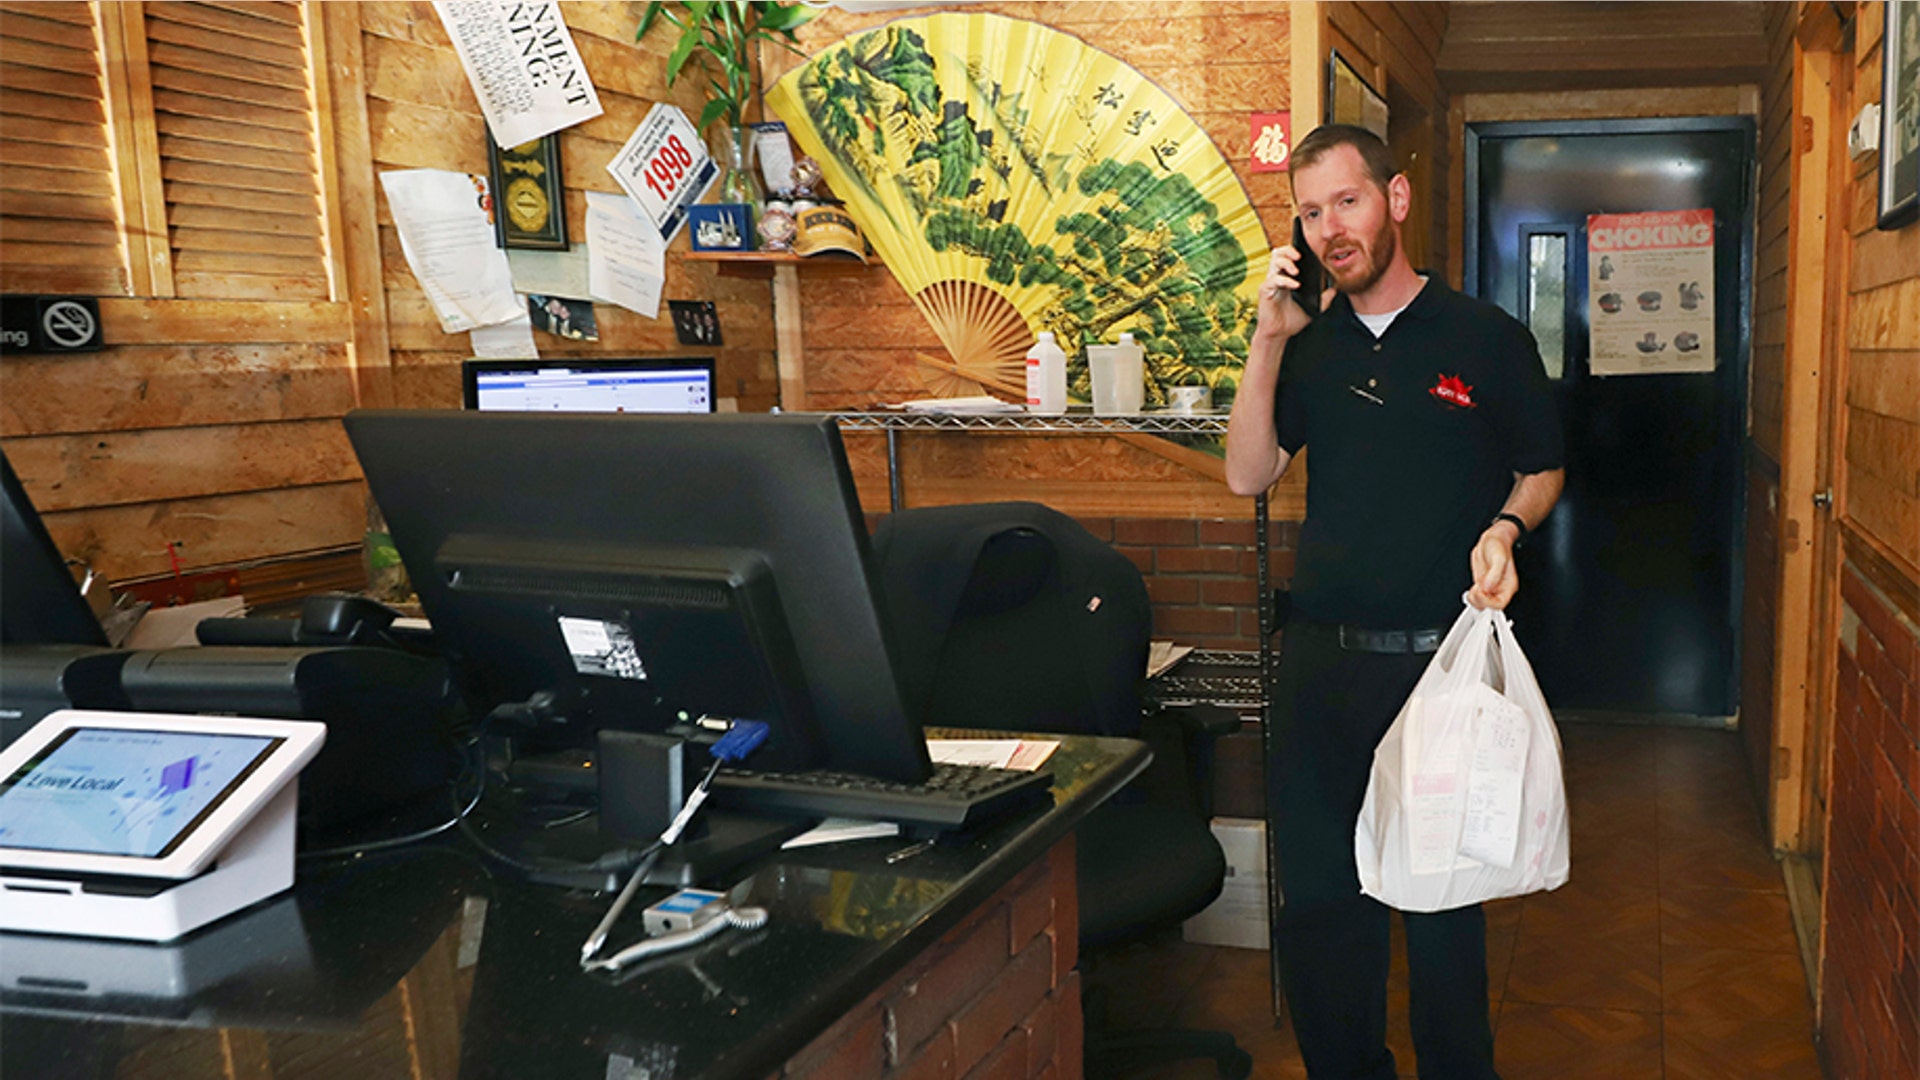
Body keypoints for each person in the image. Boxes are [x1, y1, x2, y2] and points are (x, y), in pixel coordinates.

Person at [1224, 124, 1565, 1080]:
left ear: (1396, 199)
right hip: (1322, 672)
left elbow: (1542, 468)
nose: (1331, 227)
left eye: (1348, 200)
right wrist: (1266, 337)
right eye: (1311, 210)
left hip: (1439, 672)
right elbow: (1247, 474)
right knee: (1328, 914)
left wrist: (1504, 529)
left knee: (1443, 918)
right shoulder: (1309, 349)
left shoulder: (1486, 339)